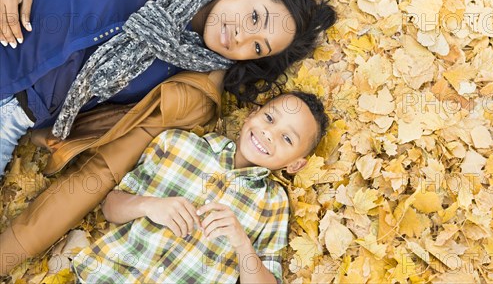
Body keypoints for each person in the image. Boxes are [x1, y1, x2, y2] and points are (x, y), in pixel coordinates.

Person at [0, 0, 336, 275]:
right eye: (254, 16)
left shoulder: (191, 91)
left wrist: (8, 253)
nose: (239, 38)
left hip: (12, 116)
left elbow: (99, 173)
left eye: (257, 46)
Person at [71, 91, 327, 284]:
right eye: (269, 118)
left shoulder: (273, 203)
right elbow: (110, 207)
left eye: (286, 138)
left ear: (295, 165)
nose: (269, 133)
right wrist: (148, 205)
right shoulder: (178, 143)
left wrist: (242, 244)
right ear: (252, 115)